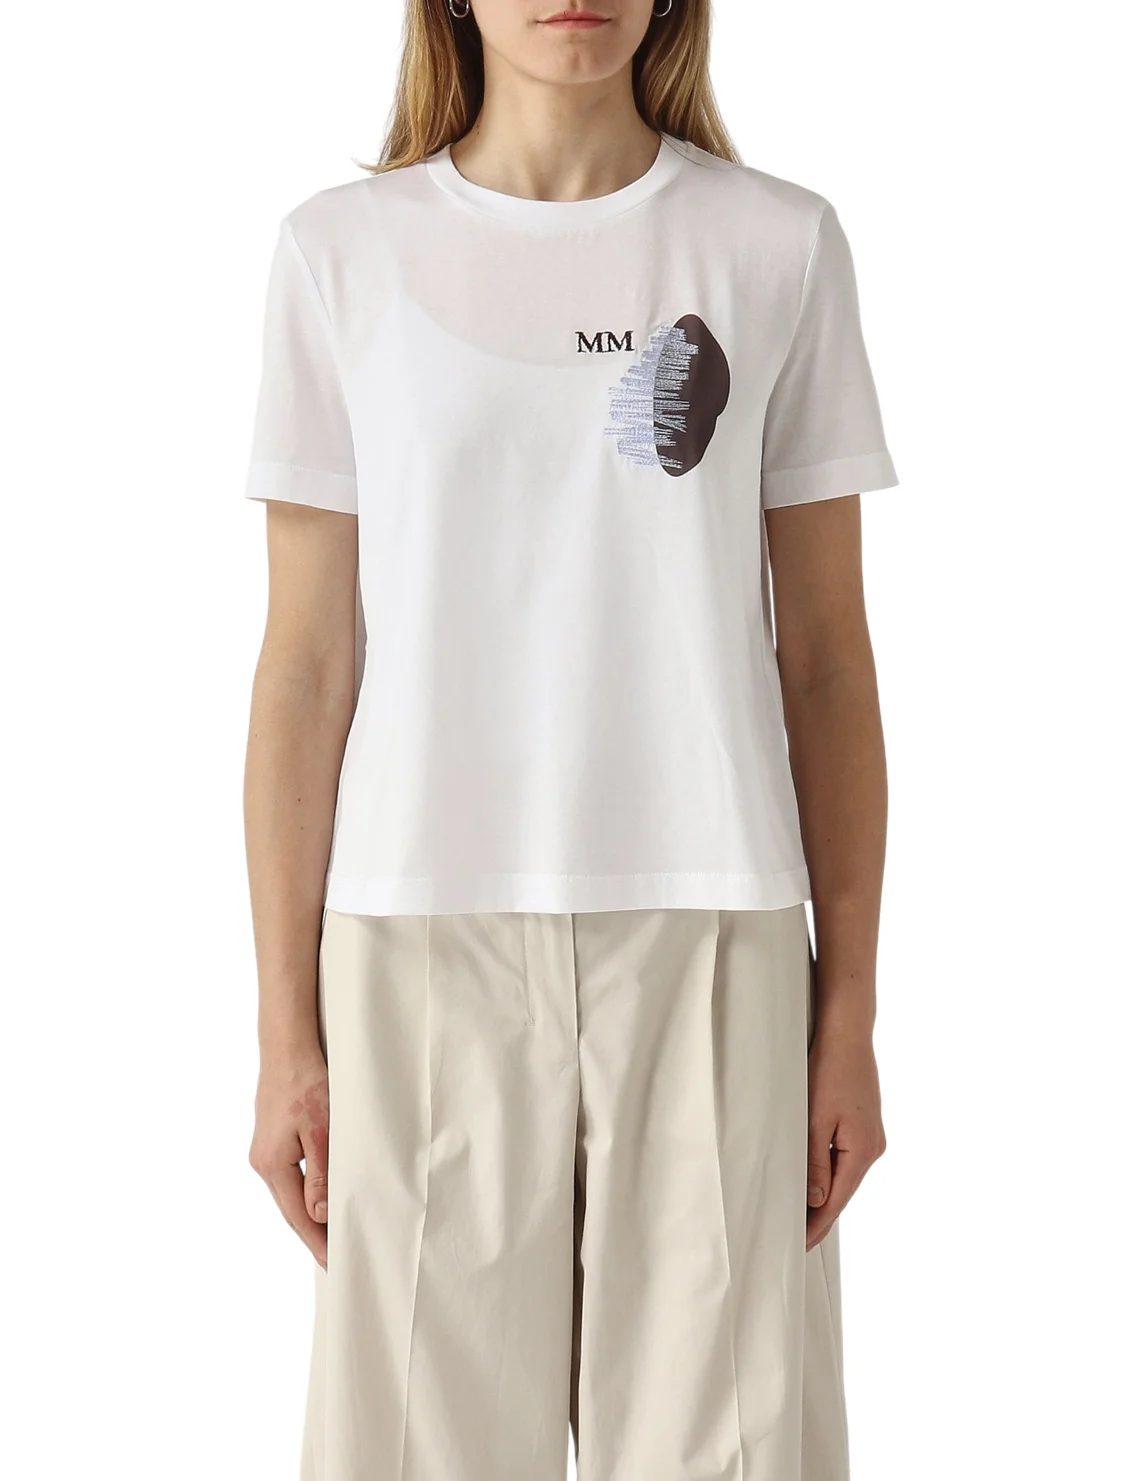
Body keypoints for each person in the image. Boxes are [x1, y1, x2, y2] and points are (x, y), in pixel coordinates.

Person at [241, 2, 896, 1478]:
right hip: (417, 943)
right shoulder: (340, 255)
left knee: (731, 1448)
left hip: (713, 937)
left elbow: (826, 662)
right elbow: (305, 670)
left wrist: (847, 1008)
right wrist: (285, 1027)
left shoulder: (774, 246)